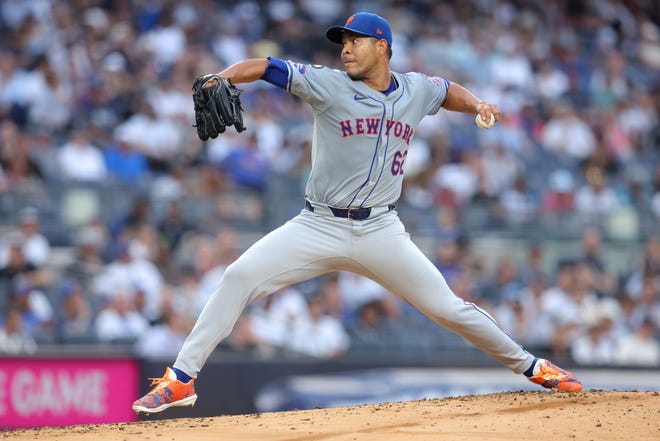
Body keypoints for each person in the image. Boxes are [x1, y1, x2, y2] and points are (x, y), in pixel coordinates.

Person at [132, 12, 582, 415]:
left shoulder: (415, 89)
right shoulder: (328, 83)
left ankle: (533, 366)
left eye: (356, 40)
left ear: (382, 46)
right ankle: (181, 380)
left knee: (448, 307)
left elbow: (447, 92)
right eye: (342, 41)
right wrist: (223, 77)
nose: (345, 48)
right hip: (318, 224)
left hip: (381, 229)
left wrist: (479, 104)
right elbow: (268, 66)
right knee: (238, 277)